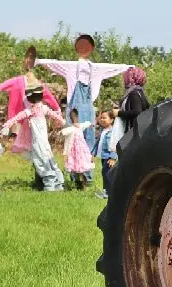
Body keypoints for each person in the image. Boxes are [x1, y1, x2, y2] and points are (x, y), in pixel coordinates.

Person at [35, 34, 131, 185]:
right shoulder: (72, 67)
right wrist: (38, 62)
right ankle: (75, 176)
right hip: (75, 112)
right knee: (73, 142)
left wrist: (126, 68)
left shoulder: (96, 69)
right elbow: (55, 63)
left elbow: (112, 68)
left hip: (87, 111)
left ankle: (87, 176)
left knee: (88, 143)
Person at [0, 46, 62, 189]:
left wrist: (57, 110)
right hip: (26, 123)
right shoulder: (19, 81)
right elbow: (5, 85)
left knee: (40, 149)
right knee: (35, 150)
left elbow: (49, 97)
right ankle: (44, 180)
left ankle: (47, 180)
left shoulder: (38, 88)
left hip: (36, 124)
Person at [0, 85, 66, 192]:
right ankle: (56, 181)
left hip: (39, 140)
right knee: (47, 157)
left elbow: (16, 118)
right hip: (42, 140)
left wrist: (7, 125)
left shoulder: (30, 111)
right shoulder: (41, 109)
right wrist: (63, 122)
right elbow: (55, 116)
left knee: (41, 159)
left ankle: (51, 182)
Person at [60, 108, 94, 190]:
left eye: (74, 116)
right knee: (75, 167)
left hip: (81, 151)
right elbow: (63, 132)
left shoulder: (79, 126)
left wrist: (90, 124)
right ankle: (77, 183)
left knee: (81, 168)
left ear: (77, 116)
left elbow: (87, 123)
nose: (73, 118)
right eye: (72, 116)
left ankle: (83, 185)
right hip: (74, 152)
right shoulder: (71, 128)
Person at [115, 66, 149, 134]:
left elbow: (137, 112)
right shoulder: (140, 92)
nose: (124, 80)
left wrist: (118, 113)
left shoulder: (134, 93)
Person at [94, 109, 117, 199]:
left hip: (109, 157)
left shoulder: (112, 132)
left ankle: (110, 192)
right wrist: (93, 154)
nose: (102, 120)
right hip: (104, 156)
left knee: (108, 174)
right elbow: (97, 143)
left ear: (111, 120)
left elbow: (114, 146)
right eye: (101, 118)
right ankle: (106, 191)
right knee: (104, 173)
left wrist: (113, 158)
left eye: (105, 118)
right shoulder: (103, 131)